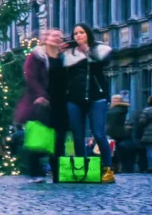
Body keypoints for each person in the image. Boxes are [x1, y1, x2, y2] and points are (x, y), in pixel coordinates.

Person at [63, 23, 115, 184]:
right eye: (75, 33)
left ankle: (107, 169)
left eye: (81, 32)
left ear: (88, 34)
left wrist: (88, 51)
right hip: (74, 99)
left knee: (98, 133)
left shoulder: (99, 49)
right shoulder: (69, 54)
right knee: (77, 136)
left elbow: (105, 61)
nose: (78, 36)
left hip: (96, 97)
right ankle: (81, 169)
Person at [14, 29, 63, 184]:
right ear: (45, 39)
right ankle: (36, 173)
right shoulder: (36, 57)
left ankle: (58, 174)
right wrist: (41, 95)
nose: (56, 39)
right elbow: (31, 77)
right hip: (40, 103)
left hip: (60, 103)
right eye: (53, 36)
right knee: (38, 138)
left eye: (59, 37)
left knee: (58, 141)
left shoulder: (64, 58)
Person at [106, 94, 131, 174]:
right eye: (113, 99)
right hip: (111, 131)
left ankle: (115, 166)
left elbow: (112, 120)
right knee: (113, 150)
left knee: (114, 150)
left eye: (116, 100)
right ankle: (114, 165)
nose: (114, 101)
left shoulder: (120, 109)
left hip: (116, 132)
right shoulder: (112, 108)